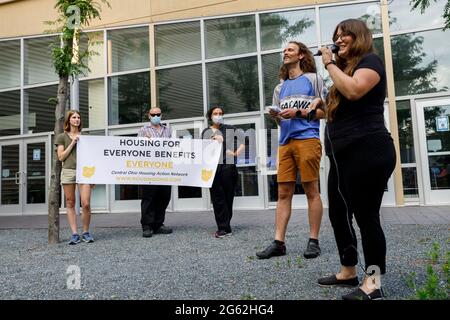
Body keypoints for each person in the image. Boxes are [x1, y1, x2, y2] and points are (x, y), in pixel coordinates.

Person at [316, 19, 396, 300]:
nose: (339, 39)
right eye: (336, 35)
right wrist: (311, 111)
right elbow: (336, 109)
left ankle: (373, 284)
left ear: (358, 36)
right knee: (338, 213)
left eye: (345, 35)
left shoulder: (370, 62)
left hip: (368, 150)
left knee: (366, 218)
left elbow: (353, 90)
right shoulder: (345, 70)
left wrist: (328, 64)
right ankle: (348, 270)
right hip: (342, 155)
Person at [256, 41, 327, 260]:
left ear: (301, 55)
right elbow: (280, 122)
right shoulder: (280, 87)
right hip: (285, 143)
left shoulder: (313, 79)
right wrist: (277, 117)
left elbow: (325, 112)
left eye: (290, 50)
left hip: (307, 139)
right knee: (283, 193)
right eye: (284, 51)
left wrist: (299, 113)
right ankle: (279, 242)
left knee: (311, 191)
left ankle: (313, 241)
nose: (285, 53)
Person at [201, 106, 245, 238]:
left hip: (228, 167)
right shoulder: (206, 132)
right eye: (215, 113)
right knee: (217, 198)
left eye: (220, 113)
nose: (218, 115)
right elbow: (202, 149)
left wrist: (236, 153)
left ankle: (226, 225)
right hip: (213, 168)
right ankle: (223, 227)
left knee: (228, 197)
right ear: (210, 116)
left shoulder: (230, 129)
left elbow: (244, 141)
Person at [56, 110, 95, 245]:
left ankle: (86, 232)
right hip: (68, 171)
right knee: (70, 202)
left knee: (86, 203)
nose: (77, 119)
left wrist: (95, 176)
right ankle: (74, 234)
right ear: (69, 120)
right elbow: (61, 157)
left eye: (78, 117)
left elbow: (93, 157)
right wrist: (72, 143)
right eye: (74, 117)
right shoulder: (62, 137)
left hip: (85, 172)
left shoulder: (86, 136)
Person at [138, 107, 173, 238]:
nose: (156, 116)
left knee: (164, 196)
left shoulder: (167, 130)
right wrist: (144, 142)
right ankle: (147, 225)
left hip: (164, 168)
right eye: (153, 114)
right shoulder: (143, 130)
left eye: (158, 114)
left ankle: (158, 224)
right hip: (149, 169)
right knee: (148, 197)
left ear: (161, 115)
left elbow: (172, 147)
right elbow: (136, 148)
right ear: (149, 116)